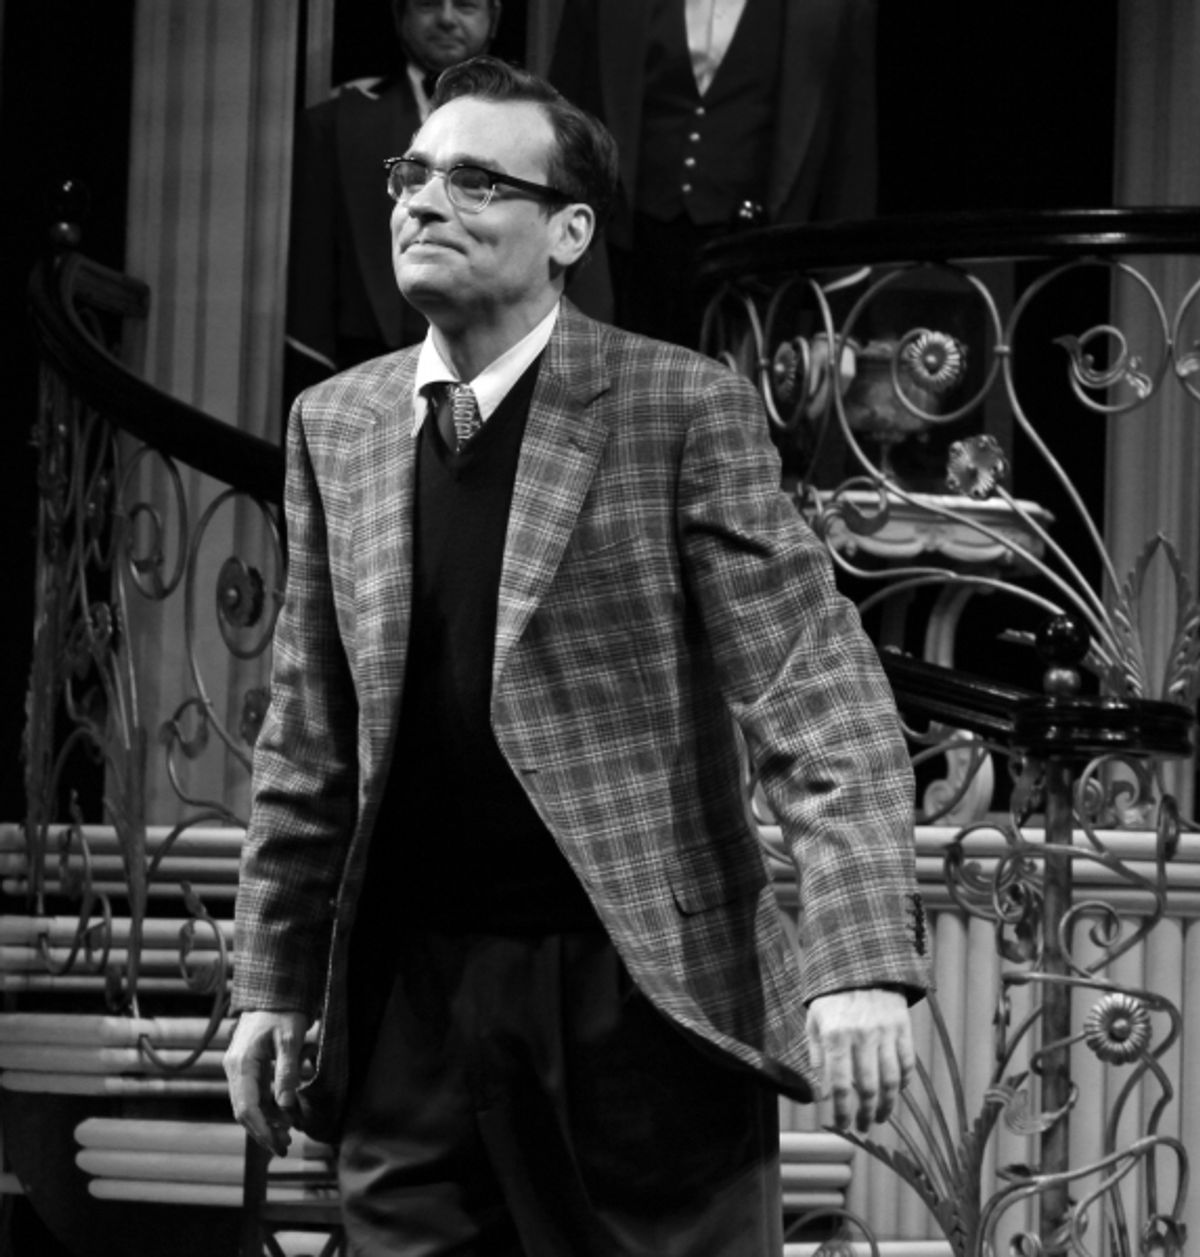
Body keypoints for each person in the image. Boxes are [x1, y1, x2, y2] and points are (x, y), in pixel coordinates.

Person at [226, 55, 930, 1256]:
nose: (424, 201)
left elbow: (815, 688)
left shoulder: (677, 406)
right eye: (414, 173)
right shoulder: (333, 423)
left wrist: (857, 959)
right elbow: (308, 741)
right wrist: (271, 982)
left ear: (570, 232)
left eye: (476, 180)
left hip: (639, 1004)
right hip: (414, 1007)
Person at [550, 0, 877, 347]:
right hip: (631, 265)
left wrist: (839, 328)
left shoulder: (834, 8)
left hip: (757, 275)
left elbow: (850, 155)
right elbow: (563, 122)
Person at [284, 0, 501, 396]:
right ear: (399, 16)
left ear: (494, 19)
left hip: (502, 368)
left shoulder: (542, 131)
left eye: (467, 5)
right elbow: (311, 288)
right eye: (428, 4)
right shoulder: (334, 126)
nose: (447, 18)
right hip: (366, 375)